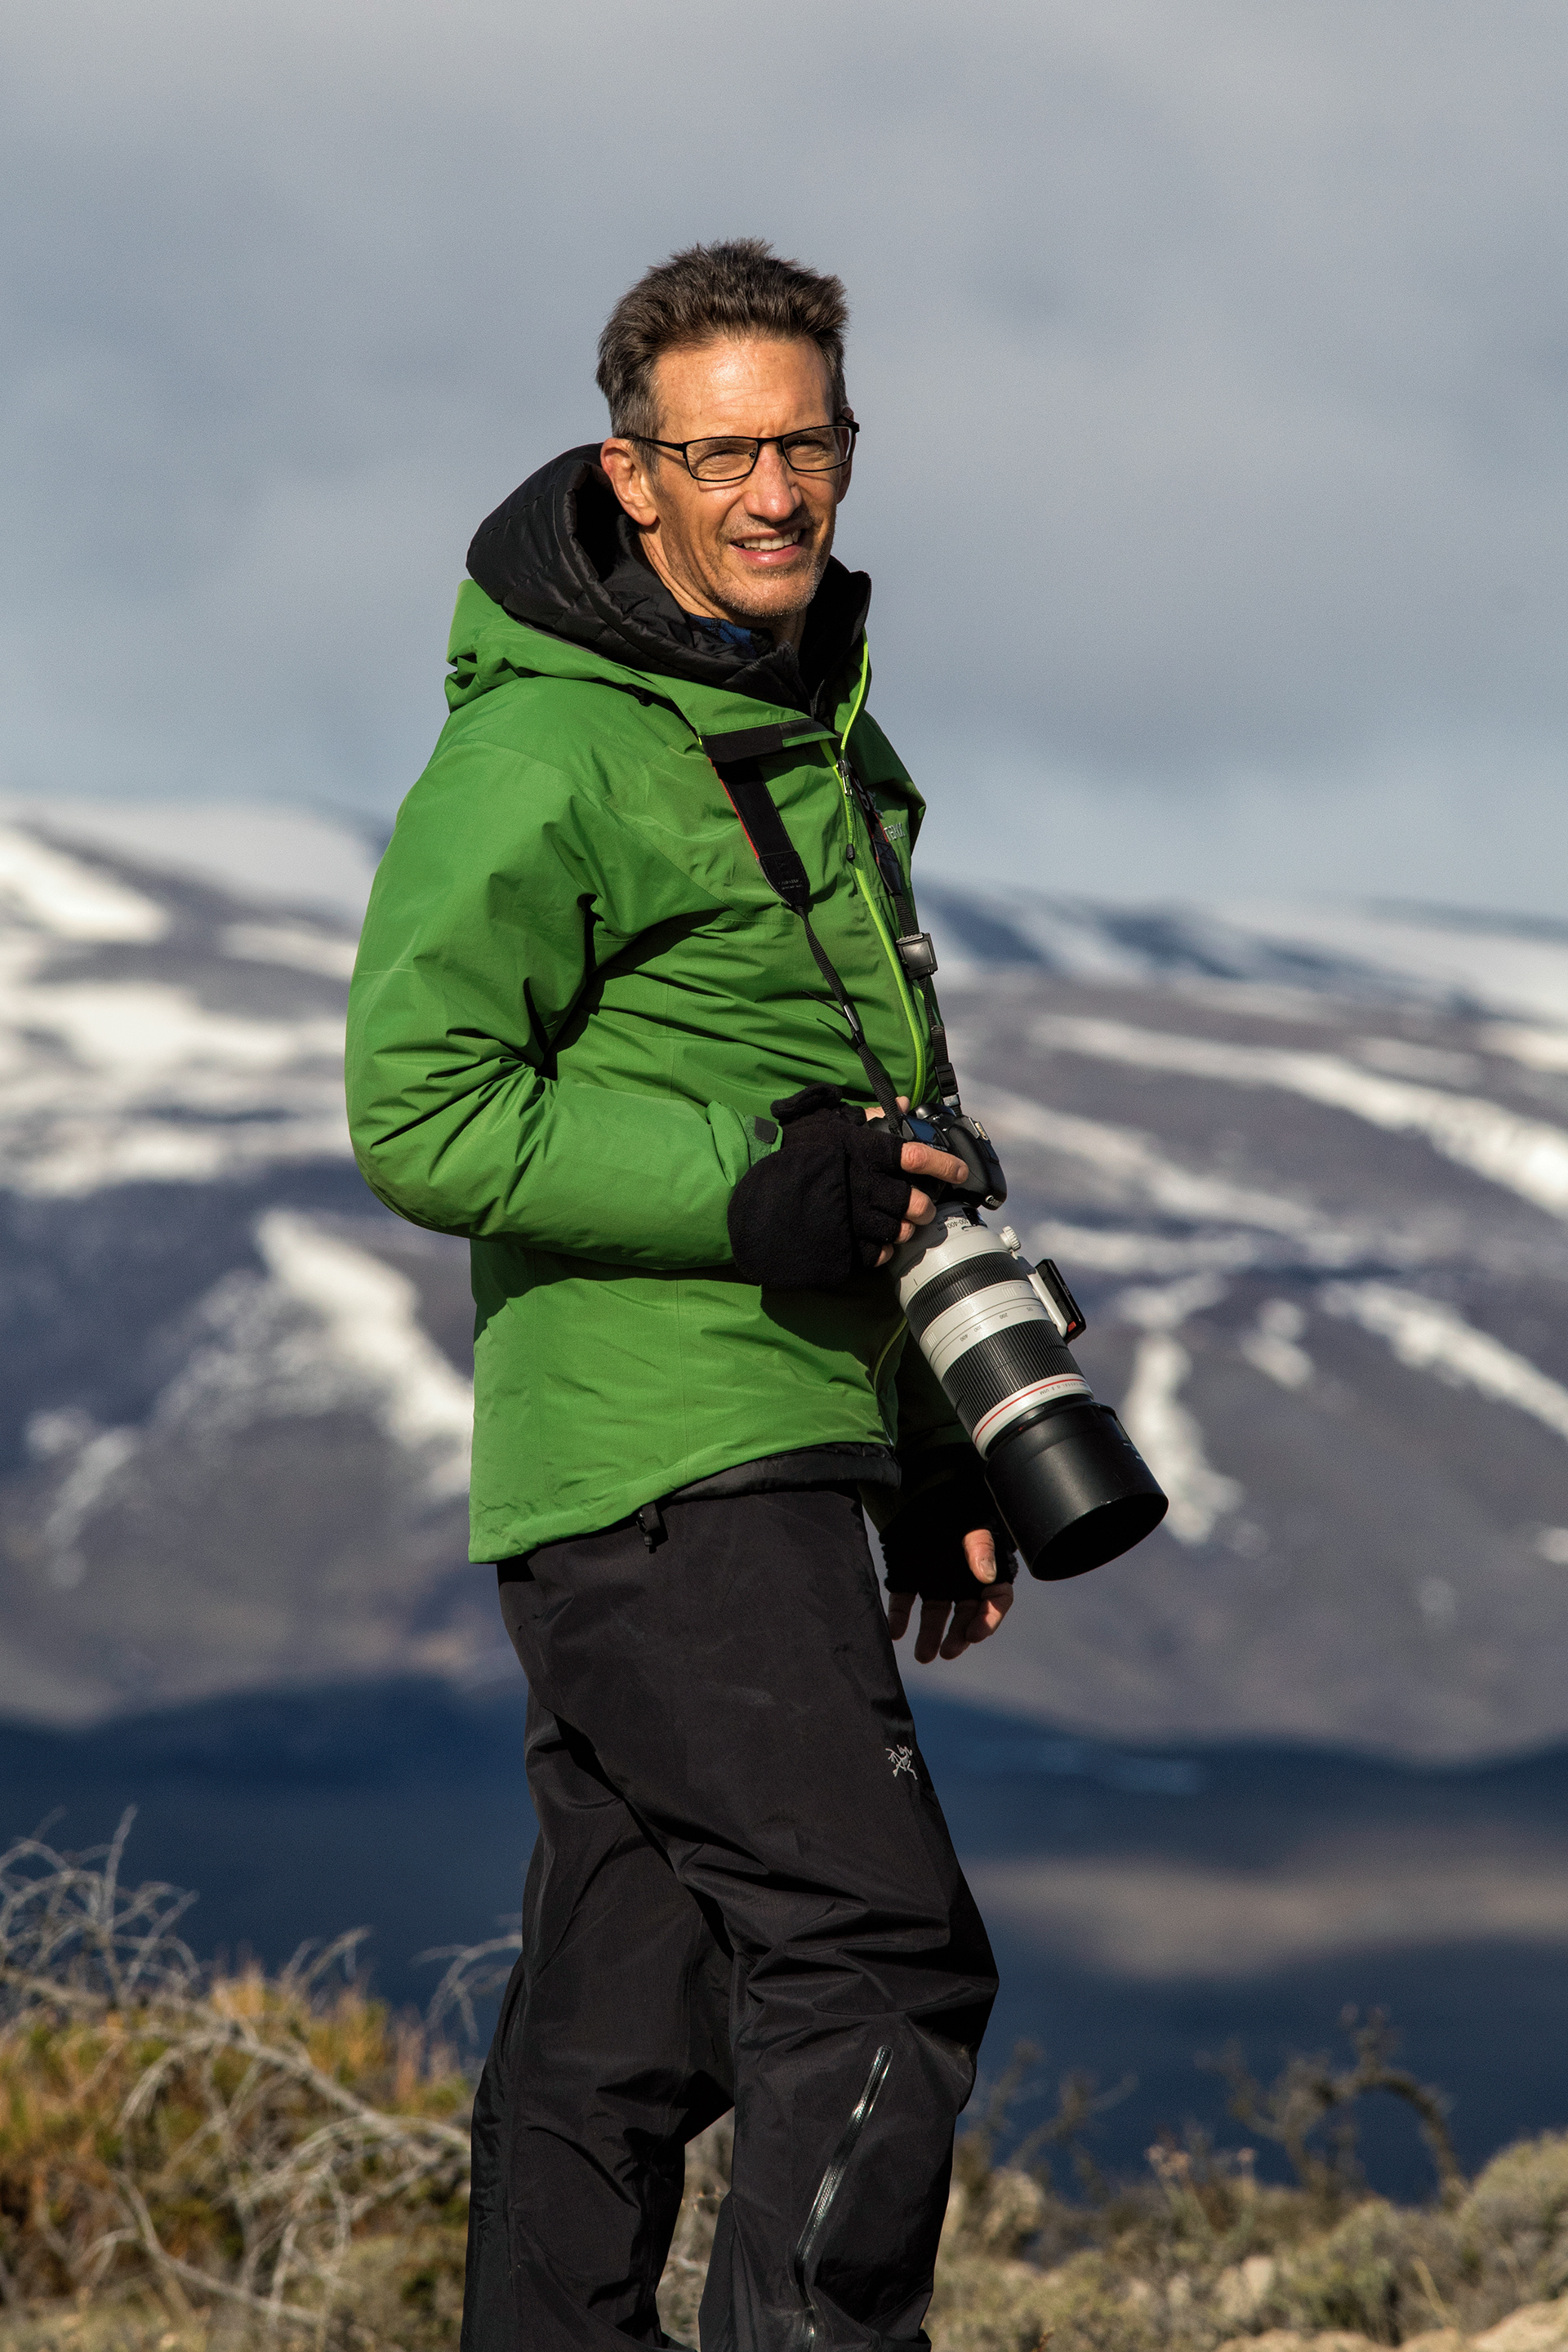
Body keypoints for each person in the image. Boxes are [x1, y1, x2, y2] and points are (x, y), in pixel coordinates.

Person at [346, 239, 1018, 2352]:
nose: (772, 493)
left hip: (769, 1440)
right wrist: (750, 1192)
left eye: (804, 442)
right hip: (662, 1448)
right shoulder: (546, 751)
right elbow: (420, 1106)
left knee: (625, 2015)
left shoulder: (804, 731)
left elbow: (869, 1140)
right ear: (630, 474)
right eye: (720, 453)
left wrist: (932, 1442)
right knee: (881, 1955)